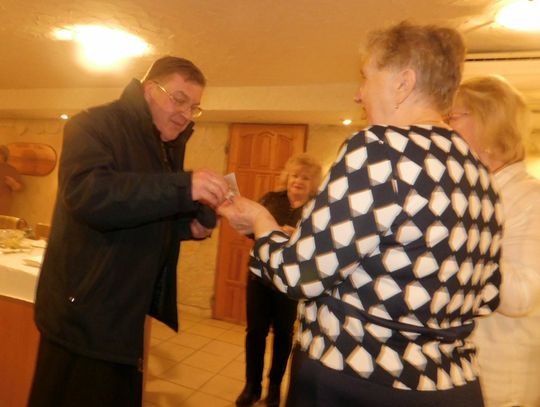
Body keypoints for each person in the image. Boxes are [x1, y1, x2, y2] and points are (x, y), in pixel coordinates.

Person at [219, 22, 503, 407]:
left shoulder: (380, 149)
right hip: (453, 388)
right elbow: (487, 295)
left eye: (366, 77)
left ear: (403, 83)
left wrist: (260, 222)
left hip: (357, 381)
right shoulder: (480, 175)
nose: (358, 94)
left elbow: (300, 275)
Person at [28, 56, 230, 407]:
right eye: (179, 99)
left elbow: (139, 213)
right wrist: (184, 186)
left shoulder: (161, 145)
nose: (186, 114)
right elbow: (91, 196)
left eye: (194, 107)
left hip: (124, 313)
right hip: (83, 316)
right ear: (150, 89)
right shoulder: (92, 125)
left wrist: (186, 227)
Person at [449, 75, 540, 407]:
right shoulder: (473, 194)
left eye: (454, 116)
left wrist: (461, 238)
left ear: (488, 124)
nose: (445, 127)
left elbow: (521, 296)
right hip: (462, 371)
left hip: (501, 380)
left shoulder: (530, 198)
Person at [236, 153, 322, 407]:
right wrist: (265, 231)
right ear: (287, 177)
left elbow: (320, 246)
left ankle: (274, 389)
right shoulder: (271, 200)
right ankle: (252, 387)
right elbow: (251, 230)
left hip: (290, 282)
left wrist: (297, 237)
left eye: (305, 178)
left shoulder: (318, 209)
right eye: (295, 175)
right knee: (255, 332)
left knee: (283, 335)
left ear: (313, 183)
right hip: (260, 277)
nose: (298, 181)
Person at [0, 145, 24, 215]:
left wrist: (13, 183)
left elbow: (20, 188)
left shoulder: (10, 170)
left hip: (2, 203)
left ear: (4, 156)